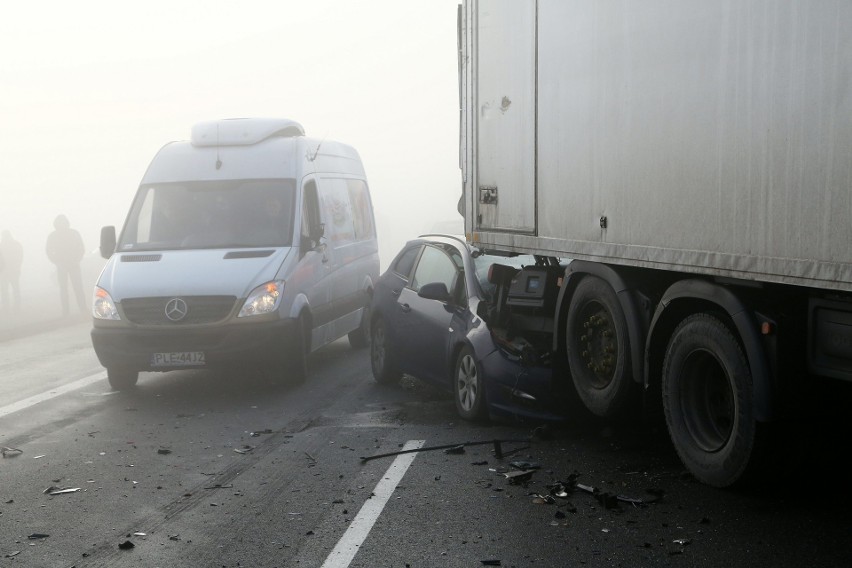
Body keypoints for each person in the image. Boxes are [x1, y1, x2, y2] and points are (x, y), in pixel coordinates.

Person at [45, 214, 87, 316]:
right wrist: (57, 262)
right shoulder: (54, 236)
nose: (62, 225)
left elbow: (81, 248)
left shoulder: (73, 233)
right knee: (65, 289)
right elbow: (49, 251)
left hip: (72, 264)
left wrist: (77, 259)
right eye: (60, 224)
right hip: (63, 266)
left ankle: (82, 309)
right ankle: (68, 311)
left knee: (77, 287)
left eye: (63, 223)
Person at [0, 230, 23, 313]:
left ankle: (7, 307)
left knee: (5, 290)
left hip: (6, 272)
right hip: (11, 271)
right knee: (14, 289)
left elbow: (19, 258)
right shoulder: (16, 245)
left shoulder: (2, 246)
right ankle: (16, 307)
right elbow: (20, 257)